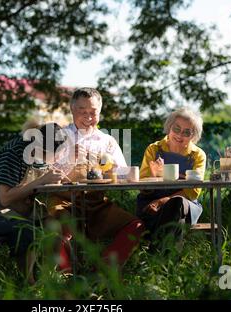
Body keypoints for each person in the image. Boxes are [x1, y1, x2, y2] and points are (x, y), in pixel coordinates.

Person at [49, 87, 145, 272]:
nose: (88, 116)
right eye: (82, 111)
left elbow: (123, 173)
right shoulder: (58, 137)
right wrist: (69, 158)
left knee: (136, 225)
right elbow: (44, 174)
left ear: (99, 112)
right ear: (72, 110)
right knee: (59, 228)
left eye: (93, 112)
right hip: (63, 200)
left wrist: (115, 171)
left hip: (95, 202)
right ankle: (67, 278)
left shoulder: (106, 140)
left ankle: (102, 271)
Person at [0, 122, 67, 284]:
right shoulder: (14, 154)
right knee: (27, 230)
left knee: (53, 226)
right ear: (44, 148)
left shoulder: (37, 154)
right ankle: (29, 282)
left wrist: (52, 179)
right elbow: (5, 198)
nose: (57, 159)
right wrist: (42, 180)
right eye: (56, 155)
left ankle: (47, 278)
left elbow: (34, 182)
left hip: (21, 206)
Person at [136, 108, 206, 249]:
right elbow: (142, 188)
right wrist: (154, 176)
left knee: (177, 203)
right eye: (177, 128)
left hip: (185, 205)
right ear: (169, 127)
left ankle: (155, 253)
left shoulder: (197, 155)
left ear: (194, 136)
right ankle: (167, 260)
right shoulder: (153, 149)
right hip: (151, 202)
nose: (180, 135)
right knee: (175, 220)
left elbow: (193, 192)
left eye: (187, 132)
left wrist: (163, 201)